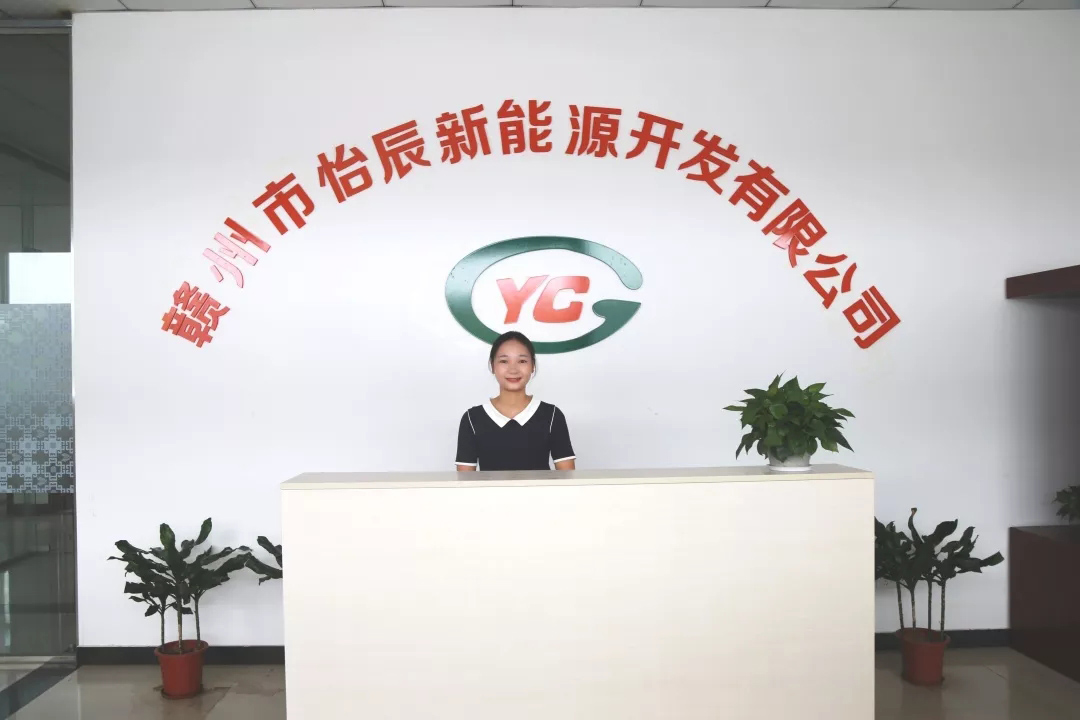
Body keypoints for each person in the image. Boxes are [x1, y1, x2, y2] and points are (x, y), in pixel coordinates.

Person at [455, 331, 576, 472]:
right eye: (504, 361)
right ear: (492, 366)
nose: (513, 370)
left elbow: (567, 478)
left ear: (533, 366)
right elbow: (465, 481)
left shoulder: (552, 415)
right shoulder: (472, 418)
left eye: (522, 361)